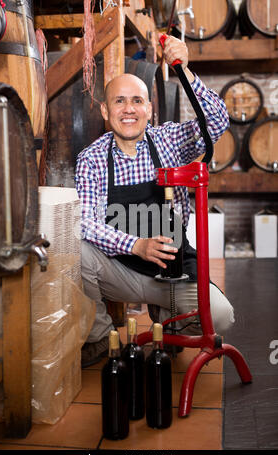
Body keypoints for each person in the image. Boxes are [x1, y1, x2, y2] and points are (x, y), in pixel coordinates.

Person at [75, 35, 234, 368]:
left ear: (149, 108)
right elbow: (86, 221)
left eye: (137, 100)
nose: (129, 109)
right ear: (105, 110)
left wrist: (185, 70)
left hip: (172, 269)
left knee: (221, 318)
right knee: (72, 251)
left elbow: (217, 123)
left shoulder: (169, 140)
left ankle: (170, 315)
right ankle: (102, 336)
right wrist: (136, 245)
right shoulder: (91, 158)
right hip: (122, 271)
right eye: (119, 101)